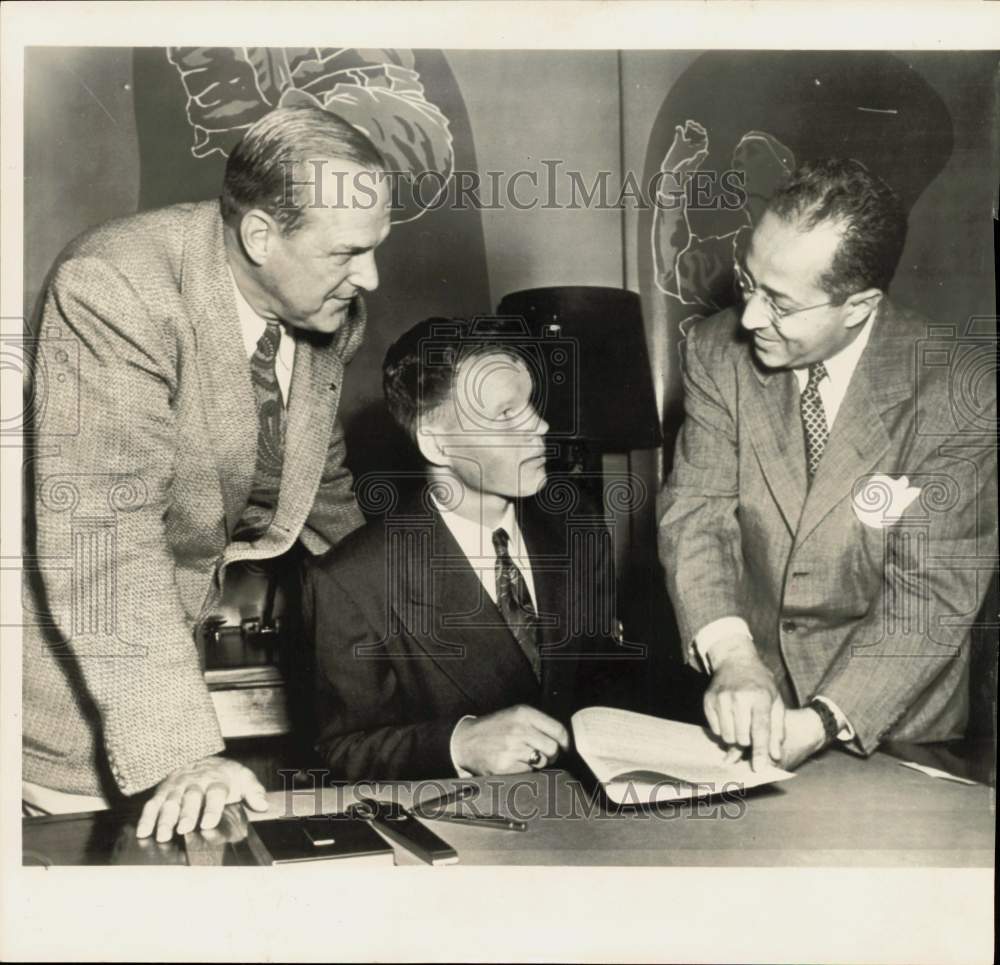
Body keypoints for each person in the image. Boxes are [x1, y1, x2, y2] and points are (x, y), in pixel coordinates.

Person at [23, 106, 392, 840]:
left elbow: (320, 491)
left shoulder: (322, 309)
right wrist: (184, 752)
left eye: (377, 248)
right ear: (260, 236)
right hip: (55, 706)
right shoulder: (114, 287)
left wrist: (427, 648)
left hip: (160, 672)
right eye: (347, 253)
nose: (371, 278)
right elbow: (103, 538)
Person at [659, 158, 997, 772]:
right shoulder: (716, 351)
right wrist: (733, 655)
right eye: (748, 281)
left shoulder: (956, 390)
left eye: (781, 304)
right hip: (749, 698)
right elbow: (696, 514)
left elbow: (932, 596)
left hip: (895, 719)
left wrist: (821, 721)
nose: (752, 317)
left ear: (860, 305)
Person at [302, 317, 691, 782]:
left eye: (530, 404)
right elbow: (342, 750)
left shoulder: (577, 525)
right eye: (506, 414)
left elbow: (605, 677)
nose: (541, 426)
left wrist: (713, 695)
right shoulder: (352, 580)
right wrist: (457, 744)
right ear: (437, 442)